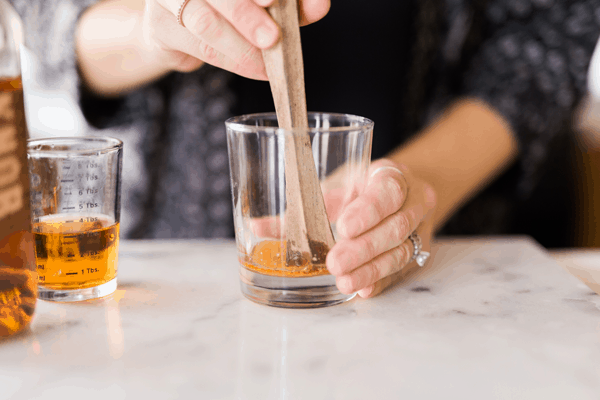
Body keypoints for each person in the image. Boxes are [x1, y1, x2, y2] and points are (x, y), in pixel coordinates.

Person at [11, 0, 600, 298]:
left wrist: (421, 185)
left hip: (452, 272)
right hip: (178, 282)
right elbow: (46, 17)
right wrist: (153, 23)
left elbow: (548, 32)